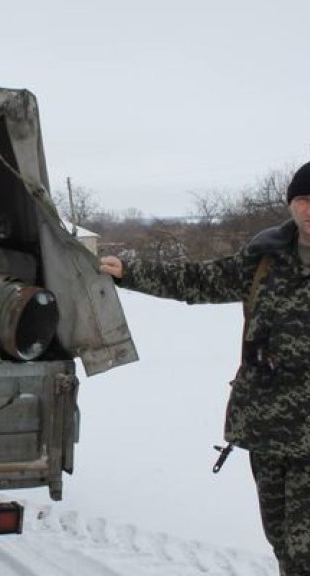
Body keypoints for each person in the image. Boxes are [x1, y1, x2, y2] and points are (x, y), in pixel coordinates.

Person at [99, 161, 310, 576]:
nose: (309, 209)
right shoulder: (265, 260)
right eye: (303, 200)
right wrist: (131, 272)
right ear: (291, 205)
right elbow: (199, 281)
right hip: (269, 428)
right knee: (283, 542)